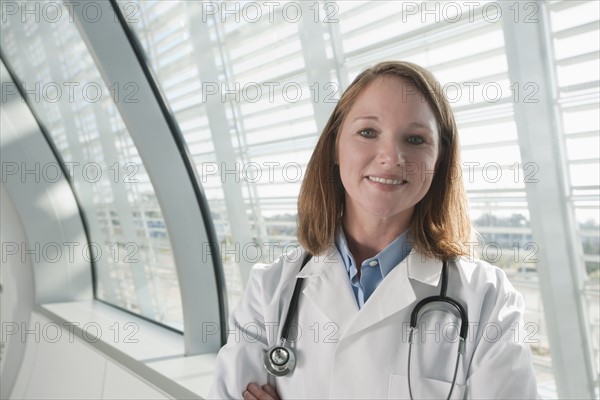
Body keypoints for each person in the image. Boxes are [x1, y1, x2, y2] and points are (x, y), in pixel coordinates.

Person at [208, 61, 539, 399]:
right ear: (336, 145)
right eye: (368, 132)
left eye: (415, 139)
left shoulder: (487, 298)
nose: (391, 157)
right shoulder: (270, 290)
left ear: (439, 160)